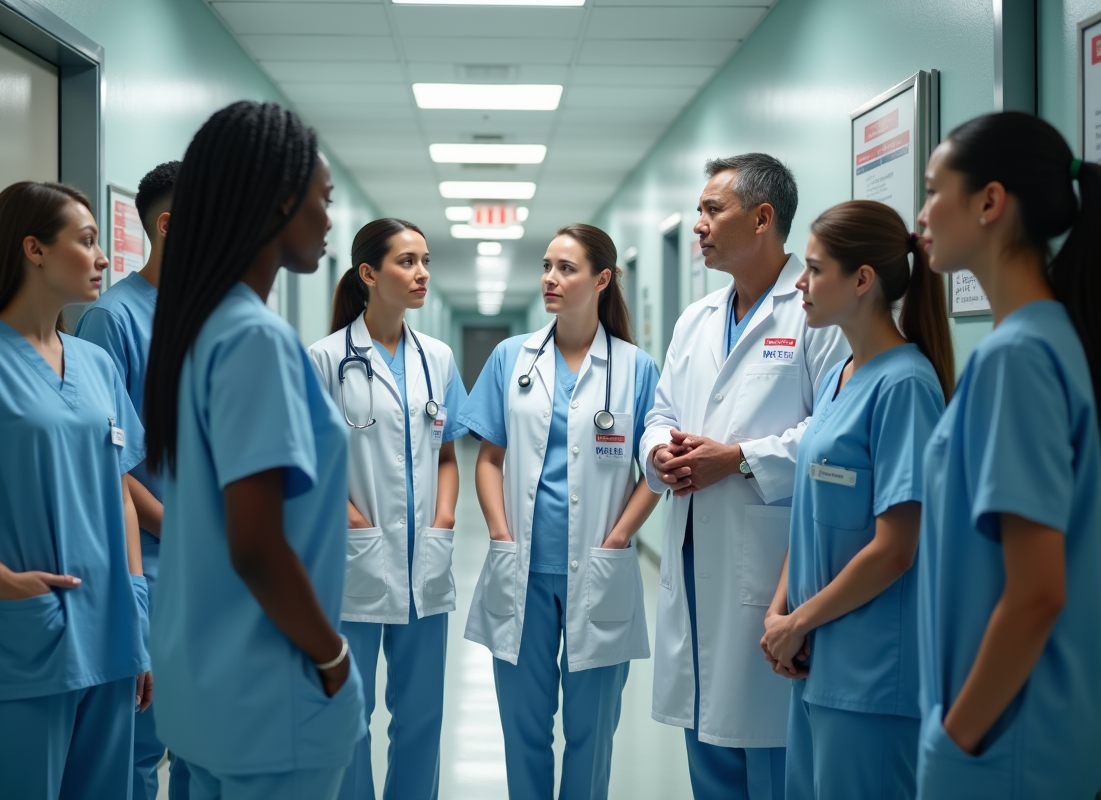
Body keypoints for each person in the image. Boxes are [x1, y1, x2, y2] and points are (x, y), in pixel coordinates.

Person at [143, 101, 365, 800]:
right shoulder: (255, 340)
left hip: (208, 696)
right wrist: (331, 658)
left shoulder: (200, 329)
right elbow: (255, 545)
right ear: (277, 202)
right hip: (275, 696)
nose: (330, 220)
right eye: (322, 200)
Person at [0, 181, 151, 800]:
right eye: (87, 242)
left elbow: (121, 494)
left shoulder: (96, 365)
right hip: (25, 639)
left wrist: (138, 610)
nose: (102, 259)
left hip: (113, 633)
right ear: (34, 250)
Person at [640, 154, 849, 800]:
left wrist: (735, 458)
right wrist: (658, 454)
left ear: (763, 218)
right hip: (696, 551)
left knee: (770, 757)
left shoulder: (815, 314)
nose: (698, 225)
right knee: (707, 743)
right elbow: (662, 412)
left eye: (711, 210)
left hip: (771, 560)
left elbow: (834, 433)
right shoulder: (694, 319)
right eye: (698, 212)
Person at [912, 111, 1101, 799]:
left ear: (990, 202)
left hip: (1005, 748)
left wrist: (956, 741)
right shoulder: (1048, 338)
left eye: (934, 190)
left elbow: (1036, 593)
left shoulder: (1016, 358)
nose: (923, 214)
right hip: (1029, 735)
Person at [757, 200, 954, 799]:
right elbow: (813, 506)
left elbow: (896, 548)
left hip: (872, 677)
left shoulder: (906, 386)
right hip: (815, 660)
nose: (800, 283)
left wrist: (799, 623)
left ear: (862, 280)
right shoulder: (843, 372)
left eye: (815, 269)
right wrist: (778, 612)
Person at [459, 224, 660, 800]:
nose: (550, 278)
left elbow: (656, 468)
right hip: (520, 564)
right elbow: (489, 458)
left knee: (592, 732)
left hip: (600, 565)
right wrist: (499, 532)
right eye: (546, 266)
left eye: (565, 268)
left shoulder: (635, 368)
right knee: (523, 729)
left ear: (601, 280)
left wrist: (621, 535)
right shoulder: (509, 358)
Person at [308, 218, 469, 800]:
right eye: (407, 261)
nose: (422, 273)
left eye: (425, 260)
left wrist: (445, 517)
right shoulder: (325, 360)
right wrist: (352, 520)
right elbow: (307, 467)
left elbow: (448, 453)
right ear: (368, 274)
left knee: (422, 717)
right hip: (353, 563)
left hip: (424, 562)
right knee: (351, 717)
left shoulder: (439, 358)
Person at [75, 159, 191, 800]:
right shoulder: (113, 321)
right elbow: (105, 463)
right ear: (170, 226)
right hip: (149, 564)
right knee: (141, 750)